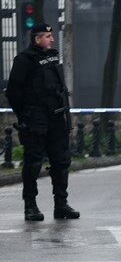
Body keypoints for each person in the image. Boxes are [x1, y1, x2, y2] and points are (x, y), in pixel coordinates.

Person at [4, 23, 79, 222]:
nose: (52, 39)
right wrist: (25, 116)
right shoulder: (24, 60)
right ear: (37, 39)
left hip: (56, 118)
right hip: (35, 120)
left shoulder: (52, 58)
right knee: (33, 163)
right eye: (47, 36)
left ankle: (61, 205)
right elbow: (13, 92)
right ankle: (30, 206)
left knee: (61, 162)